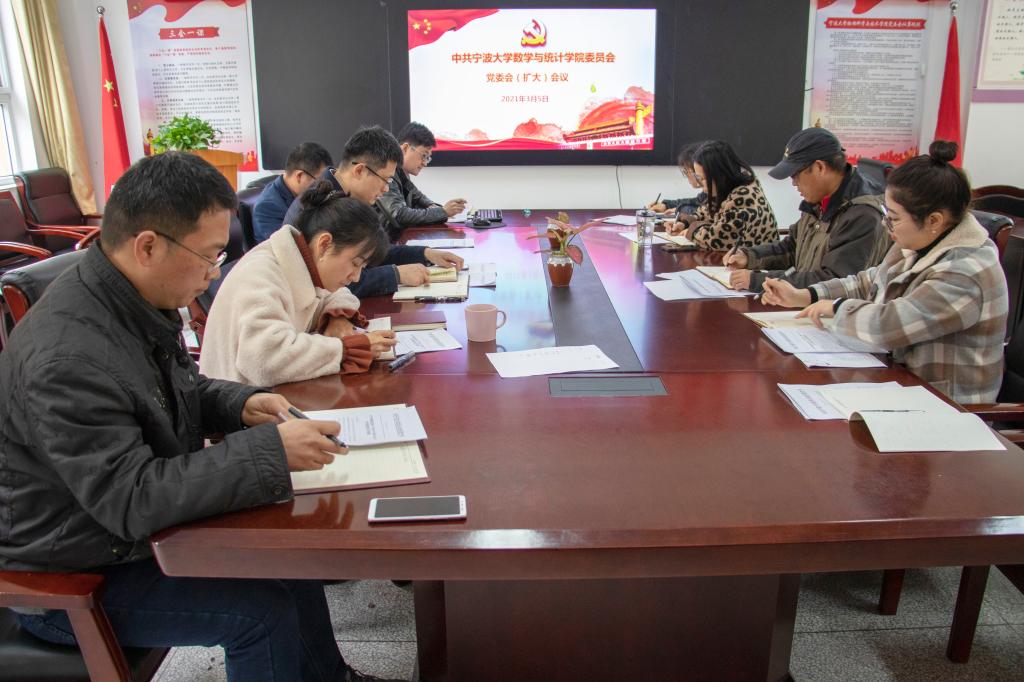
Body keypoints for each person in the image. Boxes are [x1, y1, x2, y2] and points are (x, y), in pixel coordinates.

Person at [0, 152, 399, 681]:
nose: (215, 273)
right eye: (210, 256)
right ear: (148, 246)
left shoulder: (128, 298)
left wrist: (239, 403)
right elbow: (132, 499)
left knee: (292, 554)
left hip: (116, 535)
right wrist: (270, 451)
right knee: (260, 614)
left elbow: (170, 389)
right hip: (76, 569)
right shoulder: (68, 356)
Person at [761, 141, 1008, 404]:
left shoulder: (965, 272)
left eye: (894, 218)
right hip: (902, 383)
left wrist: (837, 307)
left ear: (934, 220)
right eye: (886, 213)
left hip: (946, 406)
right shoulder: (920, 242)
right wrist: (805, 295)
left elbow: (890, 325)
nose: (885, 224)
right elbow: (868, 281)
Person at [200, 182, 398, 386]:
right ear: (324, 244)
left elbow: (337, 294)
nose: (356, 277)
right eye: (355, 263)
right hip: (239, 398)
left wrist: (337, 317)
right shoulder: (262, 275)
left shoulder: (303, 259)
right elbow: (266, 359)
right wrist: (347, 349)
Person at [283, 125, 464, 298]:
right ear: (359, 170)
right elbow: (341, 281)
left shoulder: (343, 192)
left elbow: (370, 251)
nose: (386, 189)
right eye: (386, 180)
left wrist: (425, 253)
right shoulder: (327, 206)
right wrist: (396, 275)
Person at [723, 127, 889, 292]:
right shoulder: (819, 200)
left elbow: (834, 282)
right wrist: (749, 256)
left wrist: (757, 280)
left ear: (819, 168)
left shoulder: (862, 214)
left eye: (795, 174)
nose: (793, 183)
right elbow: (792, 247)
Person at [664, 140, 779, 251]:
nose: (700, 183)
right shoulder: (726, 189)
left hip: (762, 262)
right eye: (698, 177)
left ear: (719, 175)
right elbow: (705, 212)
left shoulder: (744, 195)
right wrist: (684, 224)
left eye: (703, 178)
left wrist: (692, 231)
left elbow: (716, 238)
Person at [377, 121, 466, 238]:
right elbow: (400, 215)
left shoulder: (402, 173)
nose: (425, 163)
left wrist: (436, 207)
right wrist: (443, 211)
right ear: (405, 148)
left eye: (427, 158)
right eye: (423, 155)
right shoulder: (387, 173)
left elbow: (418, 197)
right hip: (385, 243)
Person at [252, 141, 333, 243]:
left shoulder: (300, 194)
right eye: (319, 181)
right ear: (299, 176)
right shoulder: (267, 207)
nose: (322, 186)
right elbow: (287, 247)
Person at [647, 141, 706, 217]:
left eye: (686, 171)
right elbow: (697, 201)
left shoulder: (715, 192)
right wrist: (666, 205)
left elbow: (704, 212)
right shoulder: (706, 192)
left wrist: (679, 209)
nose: (687, 176)